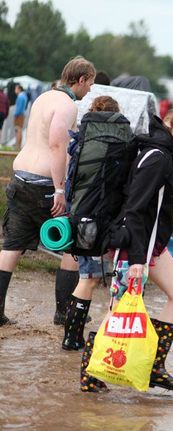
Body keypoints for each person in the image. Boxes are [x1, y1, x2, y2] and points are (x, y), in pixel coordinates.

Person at [79, 91, 173, 393]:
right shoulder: (157, 158)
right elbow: (135, 211)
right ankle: (90, 372)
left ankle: (154, 366)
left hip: (152, 244)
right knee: (118, 311)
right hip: (134, 243)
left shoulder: (165, 152)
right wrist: (137, 260)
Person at [0, 57, 96, 327]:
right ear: (80, 80)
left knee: (12, 245)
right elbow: (56, 145)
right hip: (44, 184)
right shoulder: (66, 105)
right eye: (90, 83)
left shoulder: (44, 97)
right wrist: (59, 189)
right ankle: (63, 312)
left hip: (20, 177)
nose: (90, 89)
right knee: (71, 244)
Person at [61, 95, 125, 351]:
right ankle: (109, 345)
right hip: (109, 221)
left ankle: (71, 338)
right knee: (115, 285)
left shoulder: (82, 140)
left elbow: (72, 179)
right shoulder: (124, 140)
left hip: (82, 218)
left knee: (86, 279)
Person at [13, 84, 29, 151]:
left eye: (16, 89)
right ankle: (18, 145)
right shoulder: (24, 96)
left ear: (19, 89)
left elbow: (19, 107)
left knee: (18, 129)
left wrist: (15, 114)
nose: (15, 90)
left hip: (19, 115)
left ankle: (17, 145)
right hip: (22, 114)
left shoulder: (20, 96)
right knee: (20, 130)